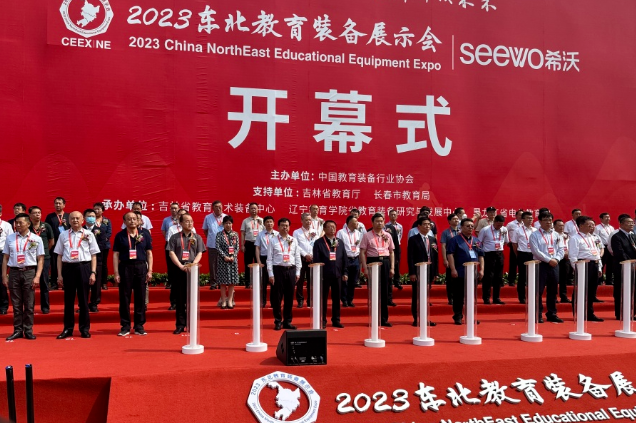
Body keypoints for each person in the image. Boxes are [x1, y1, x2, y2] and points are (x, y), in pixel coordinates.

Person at [54, 211, 100, 339]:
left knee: (84, 300)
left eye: (77, 218)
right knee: (68, 300)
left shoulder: (89, 234)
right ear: (69, 221)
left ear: (82, 220)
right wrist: (59, 275)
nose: (75, 220)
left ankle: (84, 329)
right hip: (68, 268)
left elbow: (94, 255)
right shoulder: (63, 235)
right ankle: (67, 329)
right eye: (72, 218)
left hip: (83, 267)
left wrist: (93, 272)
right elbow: (59, 256)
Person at [2, 213, 44, 340]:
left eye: (21, 222)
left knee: (29, 304)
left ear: (28, 223)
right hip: (14, 272)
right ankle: (17, 330)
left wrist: (37, 276)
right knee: (16, 304)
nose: (18, 225)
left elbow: (40, 259)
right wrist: (4, 275)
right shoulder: (10, 238)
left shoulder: (36, 239)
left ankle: (28, 330)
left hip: (29, 272)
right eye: (16, 223)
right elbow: (5, 258)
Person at [112, 212, 153, 336]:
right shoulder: (120, 236)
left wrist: (150, 270)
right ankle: (125, 326)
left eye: (134, 219)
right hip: (125, 267)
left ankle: (139, 326)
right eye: (129, 219)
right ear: (124, 222)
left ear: (138, 221)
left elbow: (149, 253)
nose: (132, 221)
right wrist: (116, 273)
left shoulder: (145, 234)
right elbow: (116, 254)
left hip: (141, 266)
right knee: (124, 297)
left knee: (140, 297)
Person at [168, 212, 205, 334]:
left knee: (192, 298)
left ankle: (191, 324)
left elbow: (200, 252)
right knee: (180, 298)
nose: (190, 223)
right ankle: (180, 324)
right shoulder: (175, 237)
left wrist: (193, 265)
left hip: (192, 270)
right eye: (187, 221)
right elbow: (171, 253)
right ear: (181, 223)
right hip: (179, 269)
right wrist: (180, 266)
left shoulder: (197, 237)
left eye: (191, 221)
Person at [446, 218, 484, 325]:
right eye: (467, 226)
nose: (470, 228)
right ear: (461, 227)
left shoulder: (476, 241)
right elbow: (450, 255)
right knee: (458, 296)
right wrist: (453, 269)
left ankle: (470, 316)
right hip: (460, 272)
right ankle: (458, 316)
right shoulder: (455, 240)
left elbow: (481, 256)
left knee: (471, 296)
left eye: (472, 226)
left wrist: (482, 270)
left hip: (473, 273)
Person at [359, 213, 395, 327]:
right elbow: (362, 252)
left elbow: (391, 252)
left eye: (381, 221)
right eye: (377, 221)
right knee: (374, 291)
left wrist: (392, 267)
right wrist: (365, 268)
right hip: (372, 261)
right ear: (372, 222)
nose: (379, 223)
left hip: (385, 262)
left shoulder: (387, 235)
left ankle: (384, 319)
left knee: (384, 291)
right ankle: (374, 318)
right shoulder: (367, 235)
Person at [529, 212, 565, 323]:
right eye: (545, 220)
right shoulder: (534, 235)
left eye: (550, 220)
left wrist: (557, 259)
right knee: (538, 290)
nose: (548, 222)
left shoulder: (556, 235)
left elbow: (561, 249)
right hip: (541, 264)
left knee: (553, 290)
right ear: (539, 222)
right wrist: (549, 260)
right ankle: (537, 314)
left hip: (555, 264)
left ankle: (552, 313)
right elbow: (536, 251)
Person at [267, 218, 302, 330]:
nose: (285, 227)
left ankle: (287, 321)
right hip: (278, 270)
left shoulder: (293, 240)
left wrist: (298, 272)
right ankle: (278, 321)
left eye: (286, 225)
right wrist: (271, 274)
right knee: (277, 297)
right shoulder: (273, 240)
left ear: (289, 227)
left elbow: (297, 256)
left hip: (291, 270)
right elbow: (269, 259)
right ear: (278, 227)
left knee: (289, 297)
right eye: (282, 225)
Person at [568, 215, 604, 322]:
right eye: (589, 225)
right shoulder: (575, 238)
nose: (592, 227)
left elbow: (597, 253)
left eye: (592, 225)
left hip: (594, 264)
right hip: (583, 265)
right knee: (580, 290)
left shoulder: (593, 237)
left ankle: (589, 313)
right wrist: (577, 268)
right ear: (581, 225)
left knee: (591, 291)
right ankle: (578, 313)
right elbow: (572, 256)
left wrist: (599, 267)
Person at [312, 220, 347, 328]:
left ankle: (336, 320)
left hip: (337, 274)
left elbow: (344, 258)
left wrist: (345, 272)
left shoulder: (340, 242)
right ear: (324, 229)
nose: (332, 229)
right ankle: (322, 320)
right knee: (323, 299)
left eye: (334, 227)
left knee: (337, 298)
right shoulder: (319, 243)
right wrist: (318, 275)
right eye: (329, 227)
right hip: (324, 275)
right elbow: (316, 260)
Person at [408, 216, 438, 327]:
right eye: (425, 224)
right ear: (419, 226)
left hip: (429, 270)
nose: (427, 226)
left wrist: (435, 273)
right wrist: (412, 272)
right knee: (417, 295)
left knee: (426, 296)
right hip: (418, 270)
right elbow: (410, 257)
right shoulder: (413, 239)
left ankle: (425, 318)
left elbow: (435, 257)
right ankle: (416, 318)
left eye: (429, 224)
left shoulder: (432, 239)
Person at [165, 209, 194, 310]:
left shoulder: (192, 229)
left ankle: (186, 303)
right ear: (178, 217)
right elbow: (169, 244)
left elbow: (195, 245)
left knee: (187, 283)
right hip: (176, 259)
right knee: (175, 281)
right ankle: (174, 302)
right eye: (180, 215)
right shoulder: (172, 228)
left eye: (184, 214)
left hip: (188, 260)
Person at [28, 206, 54, 314]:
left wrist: (43, 252)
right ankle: (30, 308)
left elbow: (51, 241)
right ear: (30, 215)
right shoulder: (27, 227)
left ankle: (45, 307)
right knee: (30, 284)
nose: (37, 215)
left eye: (39, 212)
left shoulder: (46, 226)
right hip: (30, 259)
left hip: (44, 258)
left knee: (44, 282)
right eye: (35, 213)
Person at [610, 215, 636, 321]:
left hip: (633, 267)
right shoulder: (616, 236)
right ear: (621, 224)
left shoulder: (632, 236)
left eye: (632, 222)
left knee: (633, 290)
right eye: (628, 222)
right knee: (621, 290)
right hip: (622, 267)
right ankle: (621, 313)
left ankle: (632, 312)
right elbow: (619, 253)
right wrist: (631, 263)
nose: (631, 224)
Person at [477, 215, 508, 305]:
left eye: (501, 225)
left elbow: (506, 241)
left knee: (498, 277)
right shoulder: (485, 230)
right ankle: (486, 298)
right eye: (498, 225)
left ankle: (496, 298)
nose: (499, 227)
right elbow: (479, 242)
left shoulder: (504, 229)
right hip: (488, 254)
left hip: (499, 254)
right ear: (494, 222)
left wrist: (498, 248)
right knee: (488, 276)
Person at [83, 209, 108, 313]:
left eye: (93, 216)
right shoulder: (81, 230)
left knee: (96, 284)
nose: (91, 218)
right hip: (83, 260)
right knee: (83, 284)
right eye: (89, 216)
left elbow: (103, 245)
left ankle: (94, 304)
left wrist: (92, 248)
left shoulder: (101, 229)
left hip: (97, 260)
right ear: (84, 218)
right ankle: (83, 305)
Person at [293, 213, 318, 308]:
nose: (308, 222)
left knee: (311, 281)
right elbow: (296, 245)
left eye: (309, 220)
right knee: (300, 280)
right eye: (306, 220)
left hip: (312, 258)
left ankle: (310, 300)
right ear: (302, 220)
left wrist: (311, 255)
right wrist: (305, 254)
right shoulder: (297, 232)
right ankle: (300, 300)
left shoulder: (314, 231)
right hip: (301, 258)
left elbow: (316, 244)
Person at [45, 197, 70, 290]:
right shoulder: (50, 217)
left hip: (67, 243)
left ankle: (66, 282)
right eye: (56, 203)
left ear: (64, 205)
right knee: (54, 263)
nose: (58, 205)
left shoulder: (69, 216)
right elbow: (47, 230)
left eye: (60, 203)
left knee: (66, 263)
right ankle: (54, 283)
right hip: (54, 243)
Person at [512, 211, 536, 304]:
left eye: (531, 218)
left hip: (534, 255)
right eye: (528, 218)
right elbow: (514, 244)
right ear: (523, 219)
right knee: (522, 276)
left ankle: (532, 296)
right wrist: (518, 254)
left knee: (533, 276)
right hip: (523, 254)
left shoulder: (535, 230)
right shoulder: (518, 230)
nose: (530, 220)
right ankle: (522, 297)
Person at [337, 215, 361, 307]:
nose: (357, 223)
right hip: (345, 259)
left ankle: (350, 299)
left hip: (355, 259)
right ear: (350, 222)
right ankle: (344, 299)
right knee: (344, 280)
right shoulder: (341, 232)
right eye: (356, 221)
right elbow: (337, 246)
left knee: (353, 281)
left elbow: (359, 245)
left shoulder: (358, 233)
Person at [216, 216, 240, 309]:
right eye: (226, 223)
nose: (228, 225)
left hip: (233, 261)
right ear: (223, 224)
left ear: (232, 224)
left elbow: (237, 247)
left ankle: (230, 300)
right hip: (223, 261)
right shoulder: (219, 234)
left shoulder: (235, 234)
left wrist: (233, 256)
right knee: (222, 282)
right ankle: (223, 300)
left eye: (230, 223)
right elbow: (217, 247)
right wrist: (224, 256)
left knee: (232, 282)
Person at [255, 216, 278, 308]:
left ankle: (274, 302)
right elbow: (257, 248)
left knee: (274, 282)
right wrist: (258, 261)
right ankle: (263, 302)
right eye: (267, 222)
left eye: (271, 222)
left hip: (274, 259)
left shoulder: (277, 234)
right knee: (263, 282)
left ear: (274, 223)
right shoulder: (260, 234)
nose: (269, 224)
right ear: (264, 224)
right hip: (264, 259)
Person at [202, 200, 225, 289]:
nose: (218, 208)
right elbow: (205, 230)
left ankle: (221, 282)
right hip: (212, 244)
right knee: (212, 264)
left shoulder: (225, 217)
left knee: (222, 264)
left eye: (220, 206)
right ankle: (213, 283)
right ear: (212, 208)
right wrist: (211, 237)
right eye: (216, 207)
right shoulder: (208, 217)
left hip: (223, 245)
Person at [240, 203, 263, 289]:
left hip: (259, 245)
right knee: (248, 263)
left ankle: (259, 282)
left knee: (258, 262)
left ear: (258, 210)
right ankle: (247, 282)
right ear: (249, 210)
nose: (253, 210)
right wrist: (242, 245)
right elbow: (243, 233)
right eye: (252, 208)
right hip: (249, 243)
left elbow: (265, 233)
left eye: (255, 208)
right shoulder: (245, 221)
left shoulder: (262, 220)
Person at [440, 214, 460, 305]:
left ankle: (459, 297)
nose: (456, 220)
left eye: (457, 219)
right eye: (454, 219)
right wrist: (445, 259)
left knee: (460, 278)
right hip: (450, 257)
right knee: (451, 279)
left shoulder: (461, 231)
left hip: (460, 257)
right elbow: (443, 246)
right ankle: (451, 298)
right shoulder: (446, 232)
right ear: (449, 221)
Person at [161, 202, 180, 292]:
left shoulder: (182, 219)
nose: (174, 210)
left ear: (178, 209)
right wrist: (169, 240)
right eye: (172, 208)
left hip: (180, 245)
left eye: (175, 208)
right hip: (169, 244)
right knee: (170, 264)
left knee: (180, 263)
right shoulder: (166, 220)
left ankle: (179, 281)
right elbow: (164, 231)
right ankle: (170, 282)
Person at [0, 204, 15, 315]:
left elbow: (11, 241)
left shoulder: (6, 225)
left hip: (1, 254)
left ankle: (3, 305)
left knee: (1, 281)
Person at [93, 202, 112, 290]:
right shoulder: (91, 220)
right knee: (94, 264)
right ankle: (94, 282)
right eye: (95, 209)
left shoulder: (106, 221)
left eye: (98, 209)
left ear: (102, 210)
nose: (96, 211)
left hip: (104, 246)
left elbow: (109, 232)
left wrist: (102, 240)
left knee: (103, 264)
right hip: (93, 246)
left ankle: (104, 283)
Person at [554, 220, 572, 303]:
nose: (561, 227)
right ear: (554, 226)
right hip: (556, 259)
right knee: (554, 279)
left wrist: (568, 252)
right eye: (559, 226)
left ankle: (563, 296)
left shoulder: (566, 236)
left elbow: (570, 246)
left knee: (564, 279)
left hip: (565, 259)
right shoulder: (553, 235)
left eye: (562, 226)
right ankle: (553, 297)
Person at [385, 209, 404, 291]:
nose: (393, 216)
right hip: (388, 246)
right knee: (390, 263)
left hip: (397, 246)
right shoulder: (386, 226)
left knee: (397, 263)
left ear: (397, 216)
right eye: (391, 214)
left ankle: (397, 281)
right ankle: (389, 281)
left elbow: (400, 236)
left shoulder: (400, 226)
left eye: (394, 214)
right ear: (389, 216)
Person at [595, 213, 615, 286]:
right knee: (602, 264)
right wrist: (599, 248)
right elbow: (596, 238)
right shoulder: (597, 228)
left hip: (611, 247)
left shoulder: (611, 227)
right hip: (603, 248)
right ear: (601, 219)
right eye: (606, 217)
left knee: (610, 265)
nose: (608, 219)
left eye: (608, 217)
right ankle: (599, 280)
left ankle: (609, 280)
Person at [505, 210, 524, 286]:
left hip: (523, 246)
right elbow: (505, 232)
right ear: (516, 216)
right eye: (520, 215)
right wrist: (508, 241)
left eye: (522, 215)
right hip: (514, 245)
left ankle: (523, 280)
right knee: (513, 263)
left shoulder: (524, 224)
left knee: (522, 264)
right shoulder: (511, 224)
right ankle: (511, 280)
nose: (521, 217)